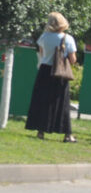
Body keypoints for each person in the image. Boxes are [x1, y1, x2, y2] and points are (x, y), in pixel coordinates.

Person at [25, 12, 78, 142]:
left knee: (43, 101)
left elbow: (42, 54)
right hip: (59, 73)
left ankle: (41, 131)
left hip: (44, 71)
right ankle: (67, 134)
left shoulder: (44, 37)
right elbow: (73, 60)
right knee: (62, 103)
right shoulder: (67, 38)